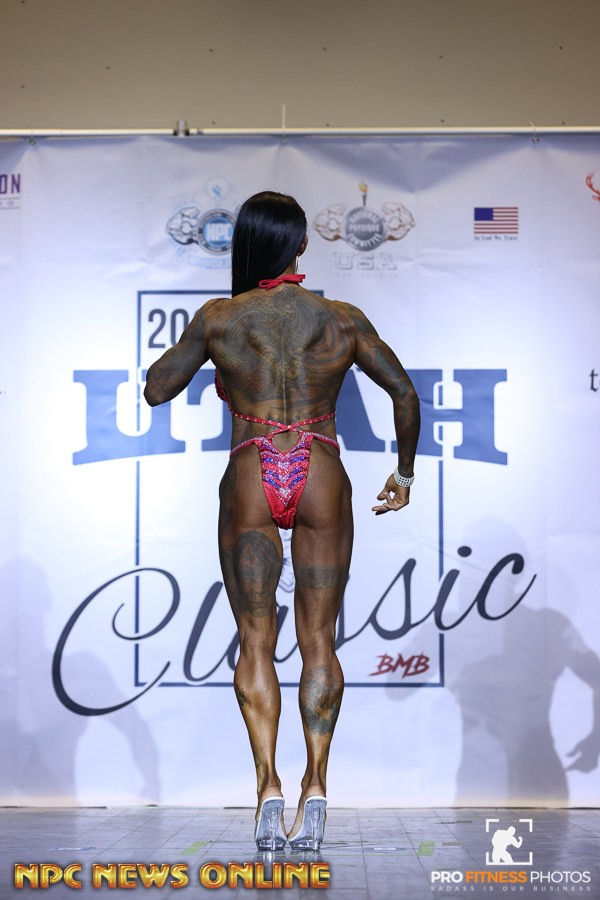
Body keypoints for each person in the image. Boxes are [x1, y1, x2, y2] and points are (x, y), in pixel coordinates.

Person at [144, 191, 420, 851]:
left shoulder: (220, 317)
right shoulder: (341, 318)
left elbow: (156, 388)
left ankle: (267, 787)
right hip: (319, 468)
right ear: (301, 244)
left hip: (250, 472)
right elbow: (405, 393)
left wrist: (206, 344)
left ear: (247, 244)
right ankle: (315, 787)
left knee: (254, 642)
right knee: (319, 641)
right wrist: (404, 474)